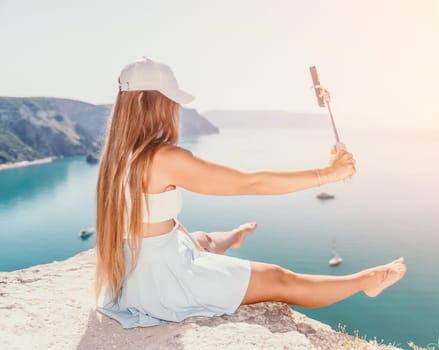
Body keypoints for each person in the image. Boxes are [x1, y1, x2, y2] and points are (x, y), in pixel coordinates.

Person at [95, 57, 407, 328]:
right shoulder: (164, 159)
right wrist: (327, 174)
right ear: (144, 104)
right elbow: (251, 183)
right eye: (170, 102)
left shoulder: (116, 157)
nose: (175, 110)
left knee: (199, 240)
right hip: (160, 285)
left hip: (134, 270)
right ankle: (368, 281)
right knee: (279, 278)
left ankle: (232, 236)